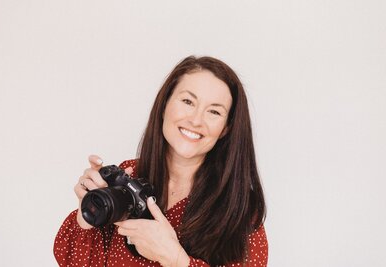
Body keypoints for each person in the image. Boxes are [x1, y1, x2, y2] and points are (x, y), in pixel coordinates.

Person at [54, 56, 268, 266]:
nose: (195, 120)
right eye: (187, 101)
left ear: (225, 129)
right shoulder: (129, 176)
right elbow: (76, 262)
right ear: (164, 104)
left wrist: (176, 260)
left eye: (213, 111)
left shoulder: (240, 207)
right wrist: (88, 213)